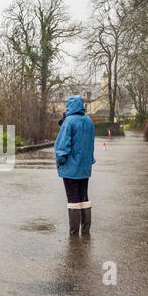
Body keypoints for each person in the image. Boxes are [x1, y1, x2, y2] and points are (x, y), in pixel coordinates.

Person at [55, 96, 96, 236]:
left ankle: (74, 233)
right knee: (83, 197)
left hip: (71, 168)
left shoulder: (69, 122)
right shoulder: (89, 121)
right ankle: (85, 230)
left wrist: (60, 160)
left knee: (73, 199)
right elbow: (89, 142)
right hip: (85, 167)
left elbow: (62, 145)